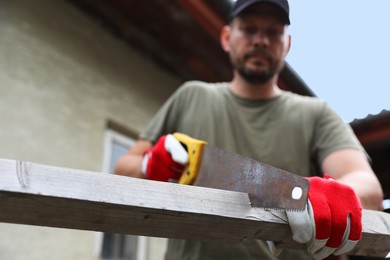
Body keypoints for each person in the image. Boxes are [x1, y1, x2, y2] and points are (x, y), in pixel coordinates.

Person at [115, 0, 384, 259]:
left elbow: (366, 187)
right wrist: (149, 165)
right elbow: (123, 168)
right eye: (249, 29)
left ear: (287, 44)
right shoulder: (191, 96)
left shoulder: (316, 113)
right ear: (226, 38)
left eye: (273, 32)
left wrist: (332, 193)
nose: (260, 40)